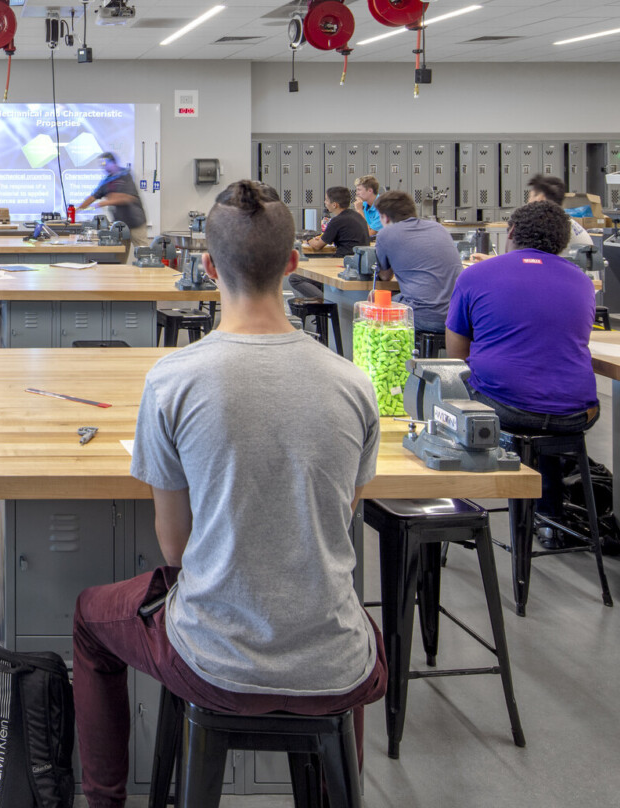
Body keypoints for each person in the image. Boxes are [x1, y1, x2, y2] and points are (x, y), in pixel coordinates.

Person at [72, 179, 386, 808]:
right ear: (294, 266)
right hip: (333, 660)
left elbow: (177, 548)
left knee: (89, 616)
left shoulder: (174, 380)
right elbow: (336, 519)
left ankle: (105, 798)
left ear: (207, 266)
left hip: (212, 659)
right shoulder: (354, 385)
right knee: (343, 625)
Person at [447, 200, 599, 512]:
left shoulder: (476, 275)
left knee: (446, 388)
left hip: (505, 407)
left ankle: (454, 510)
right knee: (540, 408)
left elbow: (457, 357)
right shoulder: (583, 282)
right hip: (576, 414)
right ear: (563, 241)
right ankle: (547, 515)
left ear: (512, 231)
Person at [372, 190, 462, 332]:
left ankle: (385, 352)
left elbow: (385, 276)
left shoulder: (385, 234)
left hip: (424, 316)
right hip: (457, 315)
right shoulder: (438, 228)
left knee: (374, 302)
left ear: (385, 218)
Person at [288, 185, 371, 300]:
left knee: (295, 278)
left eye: (326, 200)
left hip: (343, 263)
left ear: (334, 204)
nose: (325, 202)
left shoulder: (337, 220)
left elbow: (317, 246)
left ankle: (327, 302)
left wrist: (308, 239)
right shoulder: (356, 216)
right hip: (357, 264)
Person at [79, 150, 150, 248]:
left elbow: (128, 198)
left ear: (113, 162)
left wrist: (107, 201)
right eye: (102, 165)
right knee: (119, 251)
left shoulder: (125, 175)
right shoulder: (107, 180)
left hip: (135, 221)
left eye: (105, 164)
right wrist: (77, 209)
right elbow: (93, 196)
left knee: (142, 250)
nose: (103, 167)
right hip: (120, 224)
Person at [527, 173, 594, 249]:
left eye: (530, 197)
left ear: (540, 198)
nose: (528, 202)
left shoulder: (548, 226)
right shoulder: (565, 221)